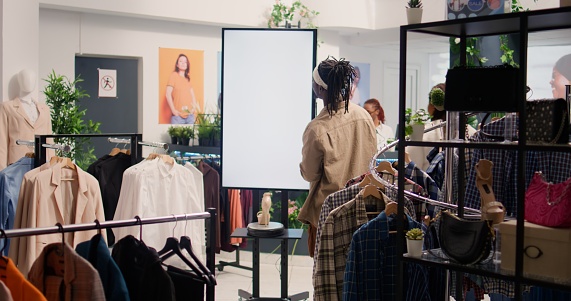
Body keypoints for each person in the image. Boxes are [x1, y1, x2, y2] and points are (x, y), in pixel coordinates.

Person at [298, 57, 377, 257]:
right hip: (362, 210)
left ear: (320, 88)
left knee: (325, 279)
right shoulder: (364, 116)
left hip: (329, 216)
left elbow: (309, 173)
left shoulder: (317, 128)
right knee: (355, 276)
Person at [0, 69, 54, 170]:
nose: (29, 81)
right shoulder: (7, 107)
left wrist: (52, 165)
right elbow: (1, 142)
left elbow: (49, 139)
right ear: (19, 81)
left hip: (42, 162)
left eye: (32, 79)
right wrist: (2, 171)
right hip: (17, 163)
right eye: (25, 78)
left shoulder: (44, 109)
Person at [166, 54, 200, 124]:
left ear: (187, 65)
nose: (183, 63)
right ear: (177, 64)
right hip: (178, 117)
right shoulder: (174, 76)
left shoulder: (187, 79)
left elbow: (192, 96)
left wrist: (193, 109)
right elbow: (167, 94)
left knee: (192, 135)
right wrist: (173, 111)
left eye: (185, 62)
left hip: (190, 117)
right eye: (181, 61)